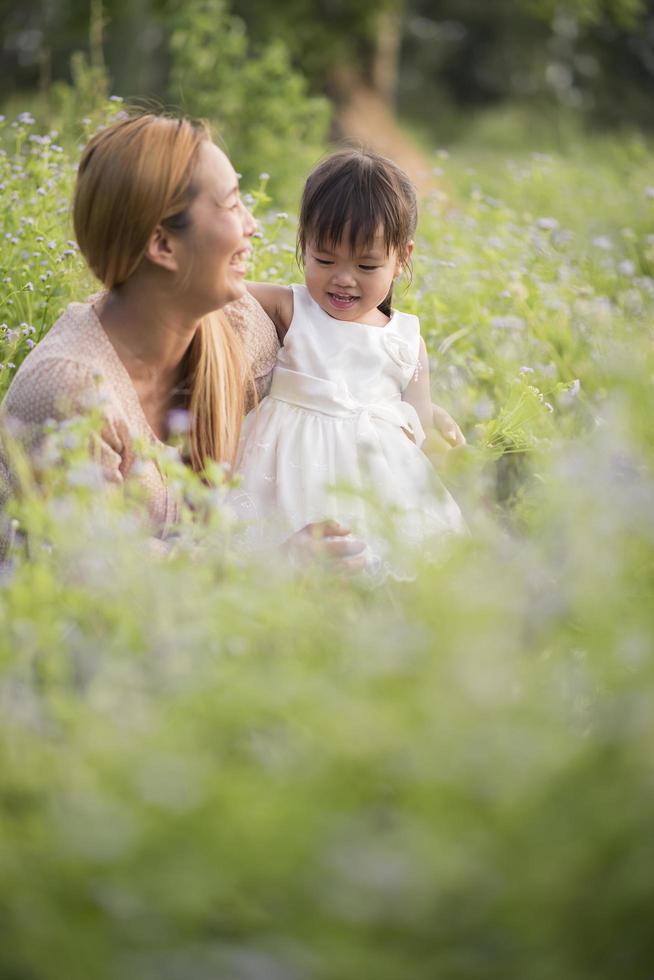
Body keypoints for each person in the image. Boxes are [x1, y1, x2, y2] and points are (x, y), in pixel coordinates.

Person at [0, 113, 367, 567]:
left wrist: (407, 398)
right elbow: (99, 574)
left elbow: (314, 341)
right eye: (232, 205)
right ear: (163, 245)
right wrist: (272, 571)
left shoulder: (229, 326)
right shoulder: (68, 392)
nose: (252, 224)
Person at [232, 149, 465, 572]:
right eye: (324, 259)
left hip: (373, 478)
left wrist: (437, 420)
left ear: (402, 259)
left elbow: (417, 429)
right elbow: (223, 289)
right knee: (276, 565)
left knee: (376, 569)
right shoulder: (292, 307)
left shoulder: (406, 339)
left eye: (366, 265)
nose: (343, 278)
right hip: (287, 467)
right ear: (304, 245)